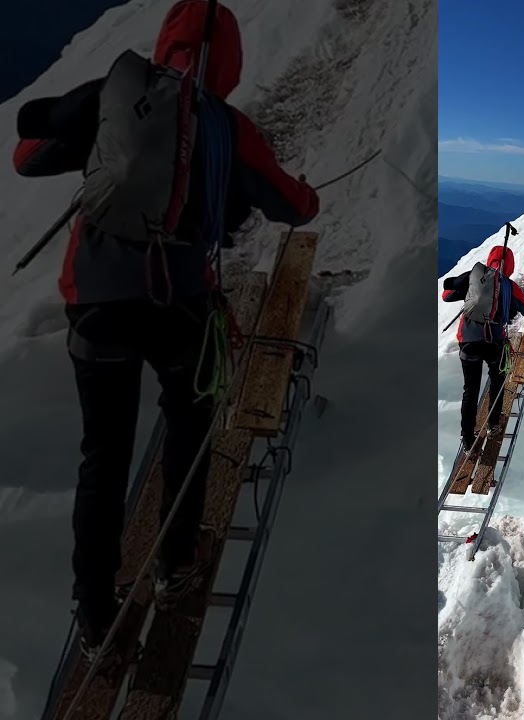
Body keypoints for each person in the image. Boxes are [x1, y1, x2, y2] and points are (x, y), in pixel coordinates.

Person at [11, 0, 319, 655]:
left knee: (105, 455)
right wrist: (305, 192)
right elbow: (292, 206)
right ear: (229, 60)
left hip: (94, 302)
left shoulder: (117, 96)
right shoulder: (228, 128)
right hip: (180, 304)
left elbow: (27, 159)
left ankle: (95, 611)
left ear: (164, 43)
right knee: (191, 417)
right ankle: (177, 561)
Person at [441, 246, 524, 452]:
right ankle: (494, 424)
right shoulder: (509, 286)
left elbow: (447, 296)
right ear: (509, 265)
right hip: (494, 342)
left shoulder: (475, 278)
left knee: (471, 389)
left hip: (468, 342)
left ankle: (468, 439)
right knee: (497, 378)